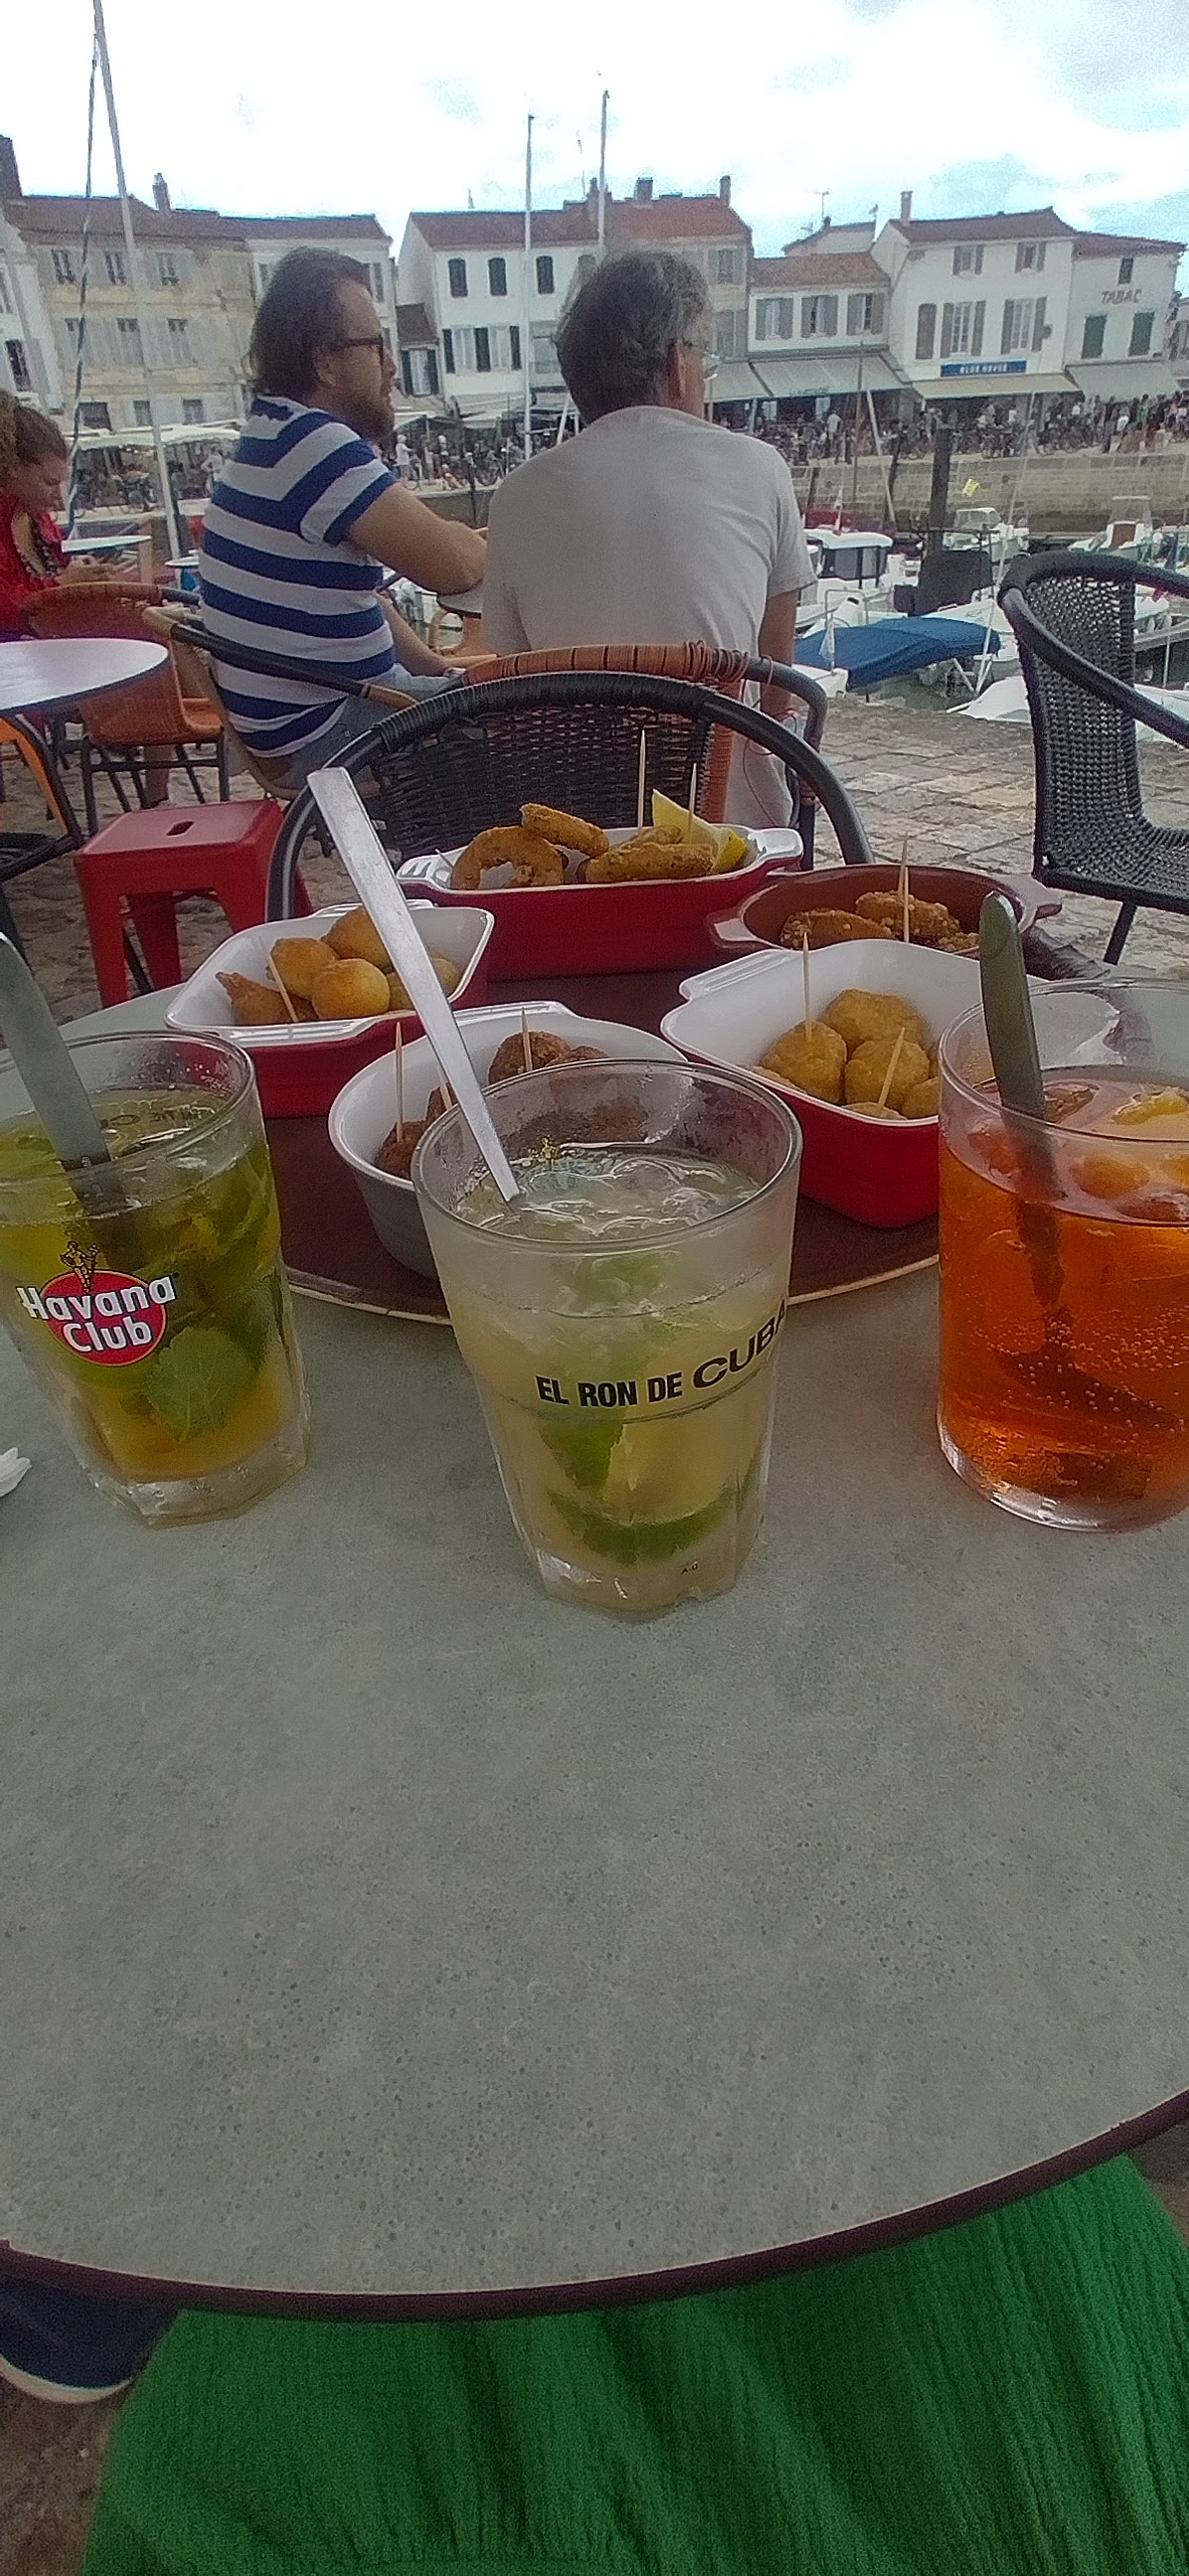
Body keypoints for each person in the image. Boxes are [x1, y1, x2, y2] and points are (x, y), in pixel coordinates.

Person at [480, 250, 813, 826]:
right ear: (678, 363)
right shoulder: (760, 469)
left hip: (579, 841)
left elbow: (518, 689)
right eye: (705, 359)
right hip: (732, 841)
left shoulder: (514, 497)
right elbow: (776, 687)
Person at [199, 250, 484, 790]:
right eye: (376, 345)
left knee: (496, 699)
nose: (391, 365)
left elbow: (365, 599)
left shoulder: (271, 434)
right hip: (332, 732)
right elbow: (452, 568)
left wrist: (434, 667)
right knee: (535, 718)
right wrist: (494, 542)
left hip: (309, 722)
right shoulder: (316, 446)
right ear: (325, 362)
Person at [0, 395, 114, 639]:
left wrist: (80, 576)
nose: (59, 497)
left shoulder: (39, 520)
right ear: (13, 469)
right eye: (50, 483)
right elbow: (6, 608)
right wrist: (63, 584)